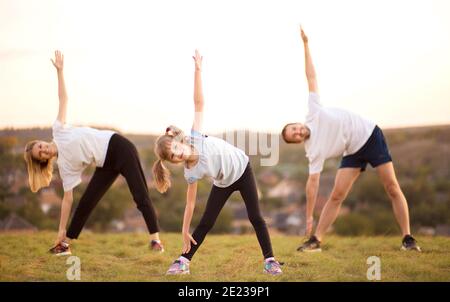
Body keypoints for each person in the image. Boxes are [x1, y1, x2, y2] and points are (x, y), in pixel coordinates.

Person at [281, 27, 421, 252]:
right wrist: (308, 216)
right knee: (337, 194)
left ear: (298, 124)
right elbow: (312, 184)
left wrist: (306, 44)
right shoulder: (313, 151)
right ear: (297, 142)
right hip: (353, 151)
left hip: (369, 135)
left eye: (294, 128)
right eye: (294, 136)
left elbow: (311, 76)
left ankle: (408, 238)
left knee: (392, 186)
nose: (297, 132)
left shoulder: (313, 110)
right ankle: (315, 240)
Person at [152, 50, 282, 275]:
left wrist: (198, 71)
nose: (178, 154)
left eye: (175, 148)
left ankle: (270, 261)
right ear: (173, 162)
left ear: (178, 142)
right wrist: (184, 230)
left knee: (255, 217)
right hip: (222, 183)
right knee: (206, 223)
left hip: (243, 170)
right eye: (173, 157)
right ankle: (183, 262)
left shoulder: (194, 135)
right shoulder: (191, 172)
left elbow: (199, 102)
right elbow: (190, 205)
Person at [24, 51, 164, 255]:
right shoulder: (65, 167)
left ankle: (156, 241)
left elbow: (63, 99)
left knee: (140, 195)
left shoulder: (59, 130)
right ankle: (64, 244)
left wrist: (60, 72)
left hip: (119, 147)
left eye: (40, 146)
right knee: (86, 202)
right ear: (43, 160)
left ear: (42, 141)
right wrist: (61, 229)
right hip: (104, 163)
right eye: (41, 154)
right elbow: (67, 200)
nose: (44, 149)